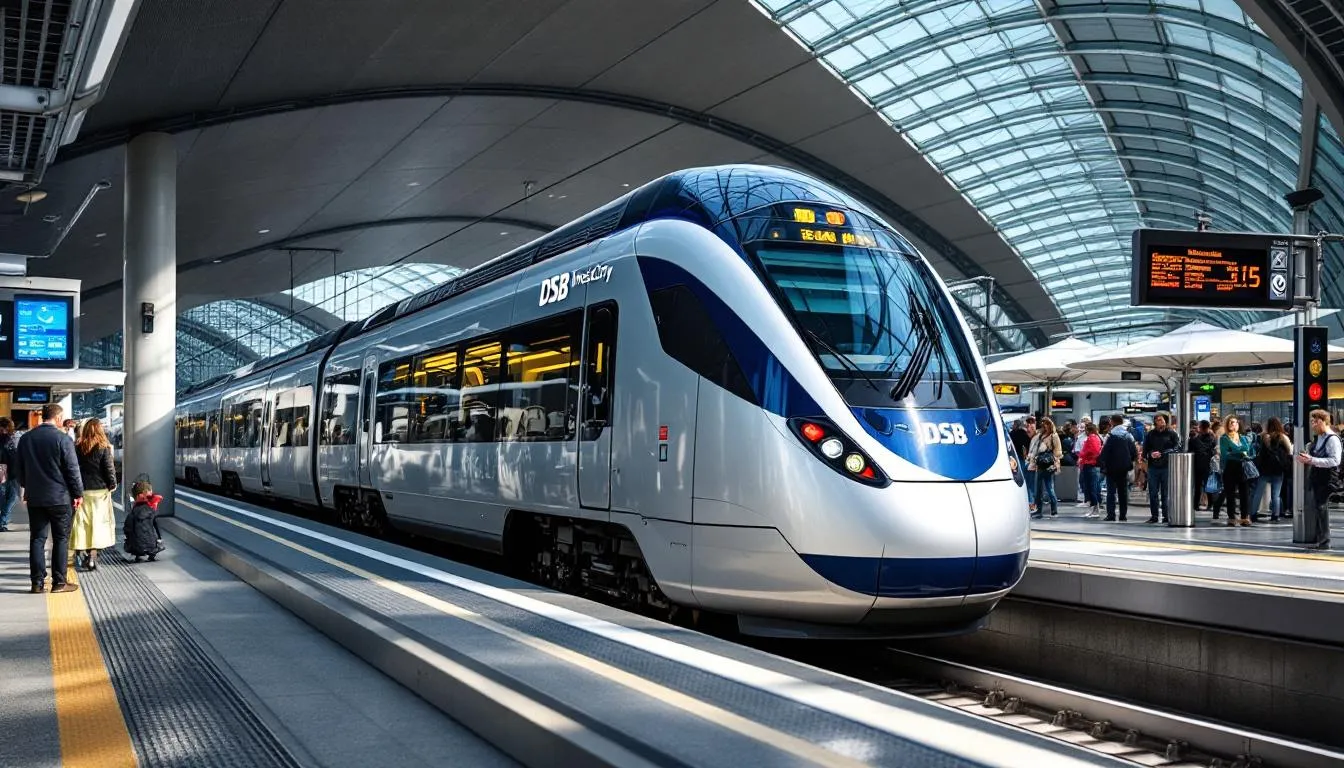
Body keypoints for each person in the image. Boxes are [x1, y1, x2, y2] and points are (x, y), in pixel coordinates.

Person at [14, 404, 84, 594]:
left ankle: (37, 583)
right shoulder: (63, 439)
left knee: (37, 538)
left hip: (35, 497)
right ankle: (59, 583)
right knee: (60, 539)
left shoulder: (26, 439)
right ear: (59, 418)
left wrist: (27, 486)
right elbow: (72, 470)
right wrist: (78, 494)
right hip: (60, 498)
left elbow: (18, 469)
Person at [72, 419, 118, 571]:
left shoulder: (77, 446)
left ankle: (82, 552)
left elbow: (73, 468)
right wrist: (112, 484)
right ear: (99, 430)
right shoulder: (103, 447)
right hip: (100, 492)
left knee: (82, 523)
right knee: (98, 524)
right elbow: (109, 469)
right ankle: (92, 557)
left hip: (82, 491)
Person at [1296, 409, 1340, 550]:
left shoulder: (1332, 439)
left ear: (1322, 421)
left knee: (1321, 508)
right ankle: (1321, 540)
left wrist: (1312, 460)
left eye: (1314, 422)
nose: (1313, 425)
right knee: (1319, 508)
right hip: (1318, 477)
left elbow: (1335, 461)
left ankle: (1324, 541)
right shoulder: (1319, 438)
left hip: (1327, 478)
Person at [1250, 417, 1292, 523]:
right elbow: (1289, 451)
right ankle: (1275, 515)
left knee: (1258, 493)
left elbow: (1256, 452)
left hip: (1264, 469)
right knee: (1276, 494)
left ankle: (1253, 514)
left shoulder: (1262, 437)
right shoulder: (1283, 437)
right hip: (1278, 469)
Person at [1141, 413, 1181, 524]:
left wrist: (1163, 453)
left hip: (1167, 466)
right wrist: (1150, 454)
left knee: (1165, 493)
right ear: (1155, 422)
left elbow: (1177, 447)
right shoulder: (1150, 434)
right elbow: (1146, 449)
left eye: (1162, 420)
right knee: (1153, 492)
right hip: (1153, 467)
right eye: (1158, 420)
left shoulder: (1171, 434)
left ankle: (1166, 516)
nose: (1161, 422)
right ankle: (1154, 516)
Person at [1219, 416, 1256, 527]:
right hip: (1230, 467)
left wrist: (1237, 451)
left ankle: (1245, 517)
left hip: (1243, 466)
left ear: (1238, 425)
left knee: (1245, 493)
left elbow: (1250, 451)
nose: (1232, 424)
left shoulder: (1243, 438)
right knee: (1230, 494)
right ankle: (1231, 518)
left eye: (1234, 422)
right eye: (1230, 422)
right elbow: (1226, 453)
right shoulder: (1224, 438)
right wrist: (1240, 451)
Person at [1100, 414, 1137, 522]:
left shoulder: (1110, 435)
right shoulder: (1128, 435)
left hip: (1111, 468)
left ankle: (1111, 515)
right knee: (1123, 492)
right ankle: (1123, 515)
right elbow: (1134, 452)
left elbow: (1104, 452)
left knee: (1111, 492)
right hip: (1124, 468)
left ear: (1113, 422)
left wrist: (1103, 465)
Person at [124, 477, 166, 562]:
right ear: (146, 493)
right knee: (151, 531)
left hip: (135, 546)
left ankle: (138, 555)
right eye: (151, 491)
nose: (152, 492)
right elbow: (156, 526)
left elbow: (127, 528)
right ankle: (152, 554)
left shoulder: (133, 512)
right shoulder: (150, 509)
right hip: (151, 545)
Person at [1028, 417, 1063, 519]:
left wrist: (1056, 464)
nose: (1045, 426)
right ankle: (1038, 510)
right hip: (1040, 465)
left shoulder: (1054, 436)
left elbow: (1058, 451)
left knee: (1049, 488)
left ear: (1050, 425)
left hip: (1048, 465)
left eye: (1047, 424)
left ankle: (1054, 510)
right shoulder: (1041, 436)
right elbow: (1036, 449)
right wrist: (1032, 460)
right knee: (1038, 489)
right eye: (1043, 424)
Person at [1188, 420, 1217, 511]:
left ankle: (1196, 505)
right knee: (1208, 486)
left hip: (1197, 465)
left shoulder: (1194, 440)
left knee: (1197, 486)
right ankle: (1210, 504)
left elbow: (1190, 451)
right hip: (1208, 466)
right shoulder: (1212, 439)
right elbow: (1214, 451)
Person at [1077, 422, 1103, 517]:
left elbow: (1093, 451)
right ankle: (1093, 508)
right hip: (1089, 464)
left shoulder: (1092, 438)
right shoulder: (1095, 438)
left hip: (1090, 465)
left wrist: (1083, 455)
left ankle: (1095, 509)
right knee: (1091, 488)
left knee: (1092, 488)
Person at [0, 418, 18, 532]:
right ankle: (2, 521)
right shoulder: (9, 440)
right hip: (6, 471)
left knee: (10, 497)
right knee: (10, 497)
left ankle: (3, 520)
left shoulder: (10, 439)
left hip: (9, 471)